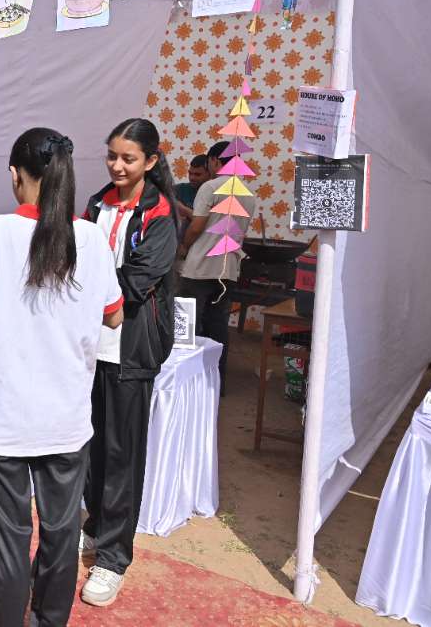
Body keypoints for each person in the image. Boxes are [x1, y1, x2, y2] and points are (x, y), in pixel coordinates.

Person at [0, 128, 123, 627]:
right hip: (66, 417)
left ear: (15, 175)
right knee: (62, 533)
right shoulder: (91, 237)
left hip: (4, 418)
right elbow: (114, 316)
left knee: (9, 536)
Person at [80, 118, 178, 608]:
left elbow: (139, 281)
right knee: (90, 446)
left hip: (131, 348)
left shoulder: (160, 213)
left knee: (123, 454)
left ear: (151, 161)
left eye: (128, 158)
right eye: (112, 156)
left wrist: (87, 284)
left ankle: (114, 557)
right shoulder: (96, 204)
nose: (117, 166)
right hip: (88, 345)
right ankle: (95, 526)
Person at [179, 140, 258, 394]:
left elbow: (197, 226)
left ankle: (186, 386)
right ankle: (215, 385)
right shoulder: (248, 194)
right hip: (228, 269)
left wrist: (184, 246)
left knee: (187, 327)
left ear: (214, 160)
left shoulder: (210, 187)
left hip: (199, 268)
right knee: (218, 328)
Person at [174, 153, 210, 220]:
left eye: (197, 174)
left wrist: (184, 210)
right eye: (190, 173)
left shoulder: (215, 193)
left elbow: (206, 222)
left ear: (209, 174)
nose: (192, 178)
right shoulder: (179, 189)